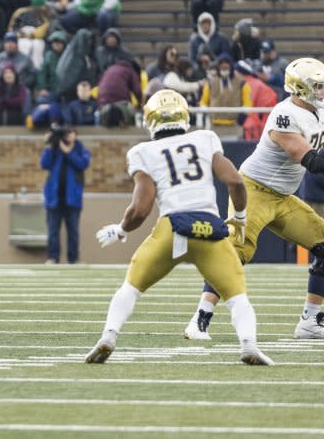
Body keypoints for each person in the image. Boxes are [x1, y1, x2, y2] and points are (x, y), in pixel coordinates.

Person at [86, 89, 273, 365]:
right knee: (237, 297)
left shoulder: (142, 151)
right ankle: (248, 345)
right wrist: (241, 217)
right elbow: (234, 180)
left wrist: (122, 230)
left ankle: (108, 337)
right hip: (211, 229)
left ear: (150, 120)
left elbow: (141, 207)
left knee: (130, 288)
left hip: (172, 229)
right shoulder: (205, 138)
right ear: (184, 115)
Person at [184, 58, 324, 341]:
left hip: (284, 197)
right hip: (253, 190)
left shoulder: (318, 110)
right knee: (235, 252)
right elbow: (312, 161)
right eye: (317, 86)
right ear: (299, 88)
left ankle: (310, 321)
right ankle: (200, 318)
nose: (322, 91)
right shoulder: (283, 115)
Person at [41, 126, 90, 264]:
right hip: (54, 198)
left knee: (73, 231)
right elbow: (44, 164)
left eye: (71, 132)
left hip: (72, 199)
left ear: (76, 134)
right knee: (53, 231)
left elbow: (83, 163)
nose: (68, 135)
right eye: (66, 133)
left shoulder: (80, 149)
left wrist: (68, 152)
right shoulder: (54, 149)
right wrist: (51, 146)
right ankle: (52, 257)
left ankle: (73, 259)